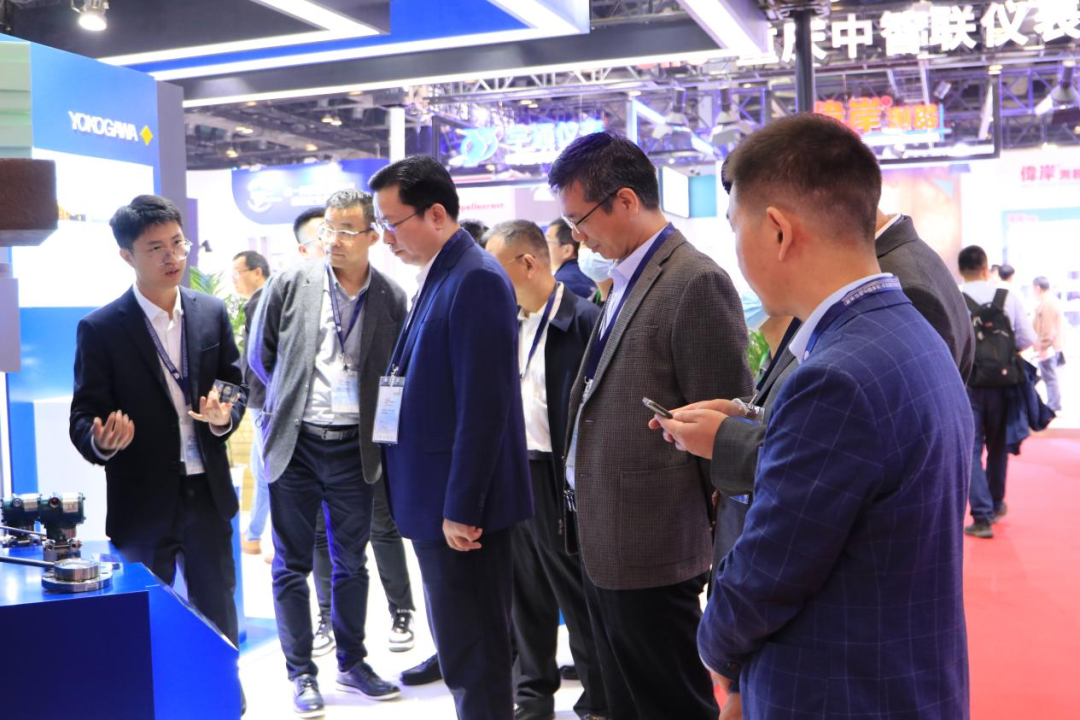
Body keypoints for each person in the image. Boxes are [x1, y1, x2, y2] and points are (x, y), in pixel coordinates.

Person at [676, 113, 972, 720]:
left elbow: (767, 572)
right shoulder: (906, 330)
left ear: (778, 231)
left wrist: (716, 649)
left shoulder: (836, 376)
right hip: (899, 676)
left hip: (838, 689)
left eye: (735, 227)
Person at [551, 131, 752, 720]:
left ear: (625, 200)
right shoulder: (625, 277)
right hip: (602, 535)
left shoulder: (694, 280)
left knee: (668, 701)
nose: (577, 236)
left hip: (655, 543)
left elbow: (727, 429)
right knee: (622, 699)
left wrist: (714, 545)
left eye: (580, 219)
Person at [680, 203, 979, 572]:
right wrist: (750, 412)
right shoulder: (886, 275)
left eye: (738, 229)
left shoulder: (898, 285)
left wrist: (725, 439)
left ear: (781, 227)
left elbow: (845, 457)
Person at [69, 194, 246, 715]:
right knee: (144, 615)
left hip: (207, 492)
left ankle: (224, 701)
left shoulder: (210, 311)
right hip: (143, 498)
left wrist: (223, 416)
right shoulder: (102, 328)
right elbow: (85, 415)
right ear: (127, 255)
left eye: (178, 244)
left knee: (218, 611)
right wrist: (101, 441)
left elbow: (234, 385)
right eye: (156, 249)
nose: (173, 257)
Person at [370, 155, 532, 720]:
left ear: (436, 214)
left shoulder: (475, 278)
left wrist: (462, 507)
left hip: (461, 513)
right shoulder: (441, 275)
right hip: (434, 499)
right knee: (462, 649)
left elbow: (484, 408)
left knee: (477, 654)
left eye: (393, 223)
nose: (385, 238)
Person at [248, 189, 405, 715]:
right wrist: (279, 409)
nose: (333, 240)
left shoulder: (390, 296)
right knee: (291, 564)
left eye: (346, 231)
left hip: (354, 448)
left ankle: (352, 662)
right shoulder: (290, 282)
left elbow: (394, 375)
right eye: (328, 230)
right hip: (297, 444)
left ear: (372, 236)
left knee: (351, 563)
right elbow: (259, 355)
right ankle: (301, 672)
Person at [484, 221, 608, 720]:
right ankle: (533, 695)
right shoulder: (503, 323)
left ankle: (598, 699)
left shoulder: (584, 321)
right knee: (523, 591)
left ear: (528, 263)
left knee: (575, 593)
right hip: (513, 472)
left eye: (495, 268)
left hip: (563, 478)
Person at [959, 245, 1036, 539]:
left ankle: (981, 516)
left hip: (969, 383)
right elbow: (1026, 338)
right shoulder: (1008, 296)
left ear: (960, 270)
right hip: (1005, 385)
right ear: (985, 267)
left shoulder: (954, 296)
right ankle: (995, 502)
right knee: (998, 445)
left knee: (970, 448)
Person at [233, 251, 272, 558]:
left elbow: (262, 358)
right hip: (261, 399)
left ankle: (267, 539)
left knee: (268, 471)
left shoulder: (263, 303)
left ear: (257, 272)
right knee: (262, 469)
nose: (234, 280)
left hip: (266, 400)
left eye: (238, 273)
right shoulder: (262, 302)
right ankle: (254, 535)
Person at [1033, 276, 1064, 412]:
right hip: (1050, 346)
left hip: (1048, 347)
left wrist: (1044, 346)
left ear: (1037, 288)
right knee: (1049, 377)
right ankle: (1053, 404)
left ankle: (1054, 405)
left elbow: (1048, 328)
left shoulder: (1047, 304)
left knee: (1050, 377)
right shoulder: (1049, 301)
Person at [545, 218, 596, 299]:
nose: (542, 248)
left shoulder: (563, 284)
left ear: (567, 250)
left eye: (547, 242)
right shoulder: (589, 274)